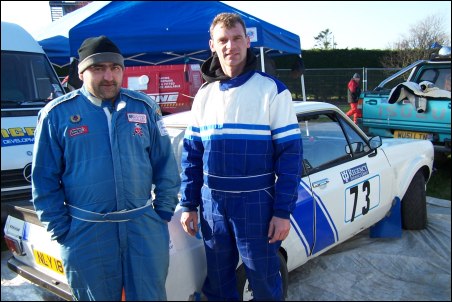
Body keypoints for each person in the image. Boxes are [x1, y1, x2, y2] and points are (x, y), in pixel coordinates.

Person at [31, 35, 181, 301]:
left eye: (115, 68)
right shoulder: (57, 115)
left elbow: (165, 165)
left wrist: (162, 214)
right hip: (86, 232)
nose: (109, 76)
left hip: (142, 228)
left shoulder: (144, 108)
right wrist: (62, 230)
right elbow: (44, 180)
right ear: (80, 71)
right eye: (98, 68)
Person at [179, 13, 303, 301]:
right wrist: (189, 203)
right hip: (212, 205)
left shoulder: (271, 90)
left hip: (256, 202)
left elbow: (291, 157)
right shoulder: (204, 95)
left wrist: (282, 212)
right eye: (223, 40)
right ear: (212, 45)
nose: (230, 46)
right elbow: (192, 155)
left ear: (248, 42)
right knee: (219, 285)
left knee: (263, 282)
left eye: (236, 38)